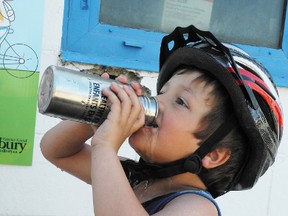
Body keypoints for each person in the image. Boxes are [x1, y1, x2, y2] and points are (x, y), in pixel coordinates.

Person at [40, 25, 283, 216]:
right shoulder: (138, 180)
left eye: (180, 102)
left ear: (214, 155)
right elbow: (58, 151)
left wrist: (105, 146)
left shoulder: (197, 207)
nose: (158, 102)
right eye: (162, 92)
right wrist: (97, 114)